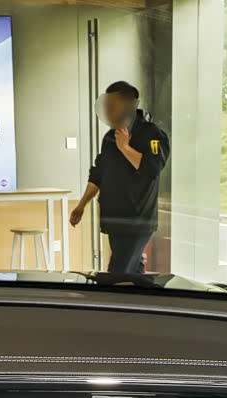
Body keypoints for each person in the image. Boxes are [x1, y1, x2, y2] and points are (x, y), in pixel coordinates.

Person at [71, 81, 170, 274]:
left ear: (127, 106)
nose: (108, 111)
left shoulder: (153, 135)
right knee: (132, 272)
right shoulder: (110, 137)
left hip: (137, 221)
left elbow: (152, 168)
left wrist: (125, 147)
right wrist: (81, 205)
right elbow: (98, 173)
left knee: (117, 274)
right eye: (106, 106)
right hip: (114, 220)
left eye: (112, 106)